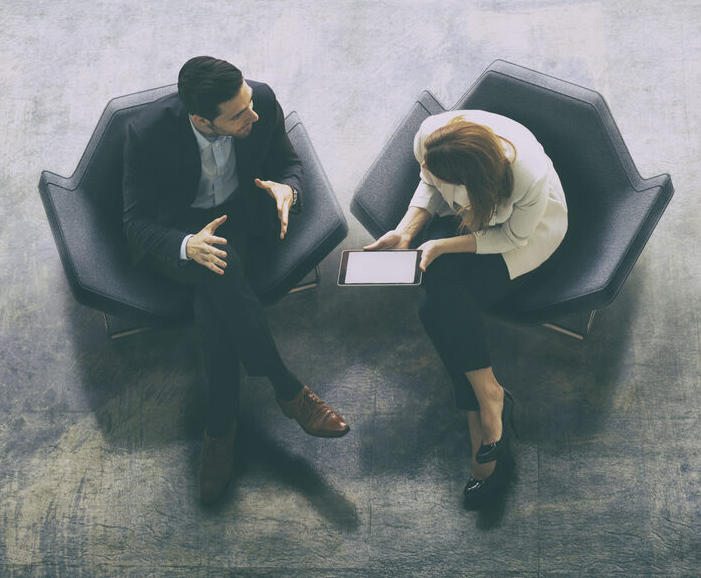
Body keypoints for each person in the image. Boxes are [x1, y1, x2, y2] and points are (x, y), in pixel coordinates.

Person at [123, 56, 349, 505]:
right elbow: (134, 222)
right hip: (178, 232)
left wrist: (290, 190)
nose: (254, 115)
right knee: (216, 270)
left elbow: (290, 163)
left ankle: (220, 431)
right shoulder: (147, 133)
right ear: (201, 119)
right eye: (239, 114)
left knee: (215, 306)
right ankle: (287, 389)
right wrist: (188, 244)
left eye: (249, 102)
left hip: (237, 218)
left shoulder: (259, 98)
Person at [365, 110, 567, 505]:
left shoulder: (528, 176)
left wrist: (441, 245)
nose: (423, 167)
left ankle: (482, 402)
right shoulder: (430, 136)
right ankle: (488, 395)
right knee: (437, 297)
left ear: (471, 181)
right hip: (472, 220)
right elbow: (427, 179)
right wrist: (406, 231)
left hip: (525, 237)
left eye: (436, 170)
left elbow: (511, 235)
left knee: (435, 302)